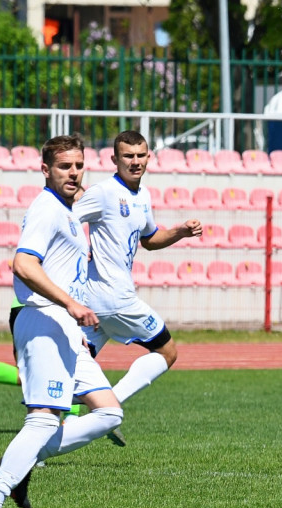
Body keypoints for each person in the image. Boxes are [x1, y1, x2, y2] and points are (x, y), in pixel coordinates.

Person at [0, 135, 124, 508]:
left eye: (78, 166)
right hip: (43, 318)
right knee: (43, 419)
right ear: (45, 170)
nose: (73, 173)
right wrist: (70, 303)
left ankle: (22, 460)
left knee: (109, 413)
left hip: (65, 327)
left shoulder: (66, 209)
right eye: (64, 167)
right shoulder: (46, 209)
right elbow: (23, 264)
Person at [73, 130, 201, 413]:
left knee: (72, 372)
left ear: (148, 158)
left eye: (140, 155)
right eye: (128, 156)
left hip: (96, 302)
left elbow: (149, 239)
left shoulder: (143, 195)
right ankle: (108, 405)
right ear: (114, 159)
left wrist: (180, 231)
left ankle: (43, 441)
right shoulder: (104, 193)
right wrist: (80, 249)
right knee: (167, 352)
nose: (135, 161)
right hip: (116, 299)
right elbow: (67, 218)